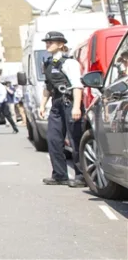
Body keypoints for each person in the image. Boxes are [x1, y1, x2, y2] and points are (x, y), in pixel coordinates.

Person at [38, 31, 85, 187]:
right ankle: (59, 175)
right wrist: (42, 105)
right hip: (57, 103)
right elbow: (48, 87)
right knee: (53, 139)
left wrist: (76, 107)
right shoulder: (48, 63)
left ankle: (81, 176)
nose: (47, 44)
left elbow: (77, 86)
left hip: (69, 102)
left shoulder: (69, 63)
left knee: (75, 139)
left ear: (61, 44)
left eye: (51, 42)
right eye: (47, 42)